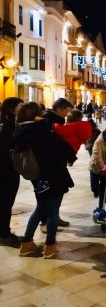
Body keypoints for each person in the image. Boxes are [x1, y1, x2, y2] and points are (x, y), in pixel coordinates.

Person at [15, 103, 76, 258]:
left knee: (41, 207)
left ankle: (26, 243)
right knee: (53, 211)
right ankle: (50, 246)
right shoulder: (40, 130)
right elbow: (61, 148)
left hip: (37, 177)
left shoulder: (19, 132)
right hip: (52, 174)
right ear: (36, 115)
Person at [35, 110, 91, 194]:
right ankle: (66, 180)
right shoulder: (83, 126)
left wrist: (52, 124)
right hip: (71, 149)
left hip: (65, 147)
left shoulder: (74, 126)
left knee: (51, 163)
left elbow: (61, 130)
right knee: (58, 164)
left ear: (69, 119)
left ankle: (46, 182)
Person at [42, 98, 73, 228]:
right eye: (66, 111)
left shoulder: (56, 120)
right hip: (49, 164)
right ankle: (46, 222)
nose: (67, 114)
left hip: (57, 162)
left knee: (60, 190)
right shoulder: (49, 122)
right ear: (60, 109)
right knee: (49, 194)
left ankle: (55, 217)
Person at [0, 97, 23, 246]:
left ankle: (4, 232)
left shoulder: (8, 126)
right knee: (5, 203)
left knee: (5, 202)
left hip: (8, 170)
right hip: (6, 171)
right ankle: (4, 235)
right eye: (20, 107)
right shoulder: (8, 129)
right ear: (11, 110)